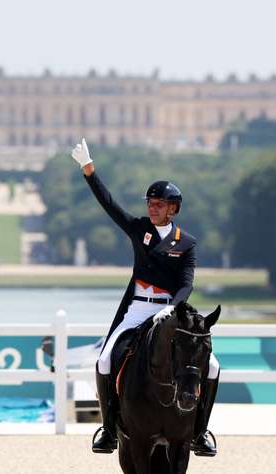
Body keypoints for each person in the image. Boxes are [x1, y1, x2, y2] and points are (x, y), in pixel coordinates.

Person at [70, 138, 220, 457]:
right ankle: (109, 429)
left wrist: (172, 309)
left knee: (215, 366)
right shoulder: (140, 229)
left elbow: (186, 283)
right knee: (105, 359)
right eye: (150, 203)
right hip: (137, 310)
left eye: (159, 204)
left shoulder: (186, 243)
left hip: (169, 311)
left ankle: (200, 432)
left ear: (173, 208)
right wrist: (89, 171)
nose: (152, 207)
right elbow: (110, 205)